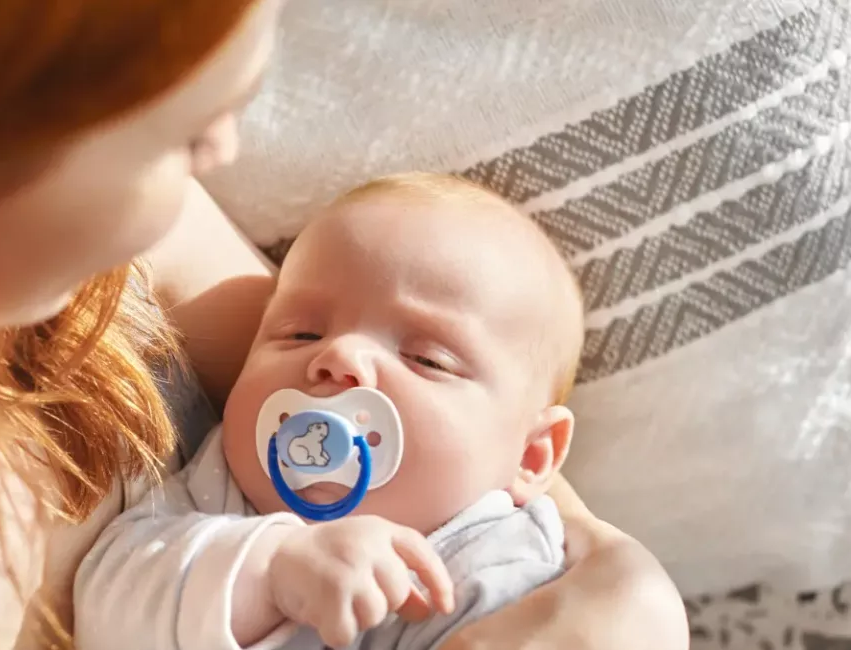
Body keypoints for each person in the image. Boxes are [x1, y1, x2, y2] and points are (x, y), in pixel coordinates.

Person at [0, 2, 684, 650]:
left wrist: (606, 595)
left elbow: (449, 419)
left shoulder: (86, 260)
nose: (225, 167)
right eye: (191, 137)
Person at [77, 173, 585, 650]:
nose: (339, 358)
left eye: (426, 358)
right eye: (302, 333)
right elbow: (103, 607)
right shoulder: (214, 495)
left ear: (532, 456)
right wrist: (267, 570)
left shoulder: (504, 569)